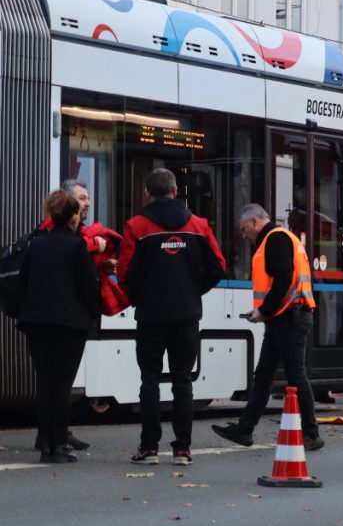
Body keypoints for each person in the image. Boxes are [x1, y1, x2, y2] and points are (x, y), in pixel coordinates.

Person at [118, 168, 226, 466]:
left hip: (150, 316)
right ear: (176, 191)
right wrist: (193, 290)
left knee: (149, 380)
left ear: (147, 193)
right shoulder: (198, 225)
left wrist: (141, 297)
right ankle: (182, 450)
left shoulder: (136, 226)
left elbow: (125, 273)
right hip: (187, 315)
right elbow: (218, 266)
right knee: (183, 381)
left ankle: (149, 448)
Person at [212, 204, 324, 451]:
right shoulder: (281, 239)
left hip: (288, 318)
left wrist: (263, 311)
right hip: (285, 317)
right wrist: (266, 313)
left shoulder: (275, 239)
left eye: (244, 230)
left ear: (254, 221)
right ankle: (245, 429)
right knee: (264, 376)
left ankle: (311, 434)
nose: (244, 236)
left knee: (295, 375)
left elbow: (282, 280)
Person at [9, 190, 99, 463]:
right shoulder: (76, 246)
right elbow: (88, 289)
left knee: (45, 384)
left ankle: (44, 443)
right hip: (69, 325)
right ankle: (58, 446)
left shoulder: (36, 244)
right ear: (73, 216)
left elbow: (22, 284)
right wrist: (93, 315)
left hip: (36, 322)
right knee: (62, 386)